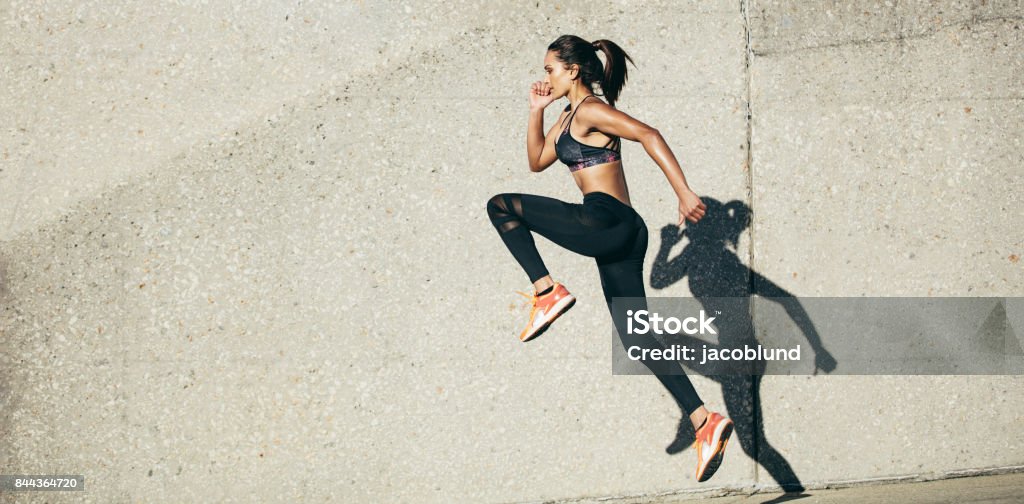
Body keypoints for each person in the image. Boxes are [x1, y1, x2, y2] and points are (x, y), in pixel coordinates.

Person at [486, 34, 734, 483]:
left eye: (550, 70)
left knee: (501, 206)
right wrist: (535, 111)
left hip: (608, 220)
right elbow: (537, 162)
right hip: (620, 233)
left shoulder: (592, 110)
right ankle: (704, 420)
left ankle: (547, 291)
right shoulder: (566, 118)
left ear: (573, 70)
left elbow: (648, 134)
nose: (545, 77)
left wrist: (683, 192)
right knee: (637, 339)